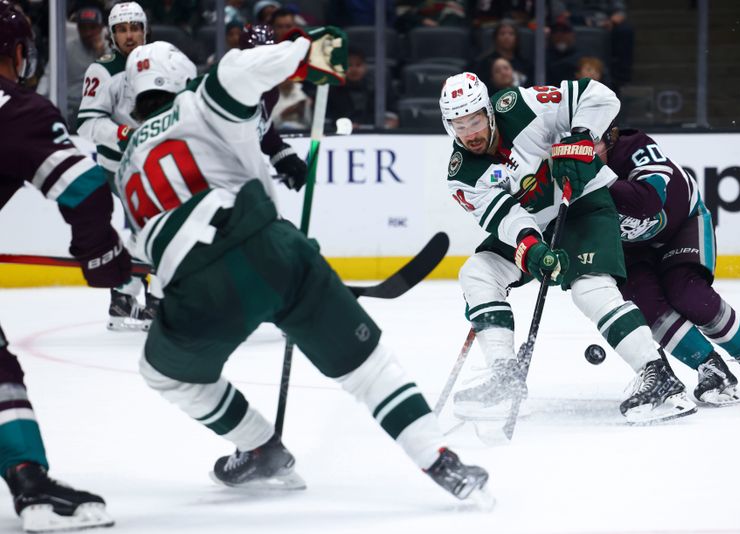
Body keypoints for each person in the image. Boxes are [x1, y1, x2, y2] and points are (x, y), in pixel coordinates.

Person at [113, 37, 490, 501]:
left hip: (198, 287)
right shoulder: (197, 102)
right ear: (181, 78)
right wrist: (304, 52)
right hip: (274, 247)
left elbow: (147, 248)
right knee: (369, 371)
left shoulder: (125, 164)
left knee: (163, 371)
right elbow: (236, 71)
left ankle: (260, 449)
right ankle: (442, 461)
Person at [439, 72, 697, 423]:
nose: (469, 132)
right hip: (535, 226)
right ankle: (505, 379)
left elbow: (601, 96)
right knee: (478, 272)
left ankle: (658, 374)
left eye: (474, 119)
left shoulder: (521, 106)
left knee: (589, 289)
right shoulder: (461, 174)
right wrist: (531, 247)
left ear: (488, 111)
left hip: (584, 203)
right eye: (458, 124)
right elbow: (505, 217)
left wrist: (581, 137)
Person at [0, 1, 129, 530]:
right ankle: (29, 483)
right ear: (18, 52)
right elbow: (84, 186)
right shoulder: (18, 110)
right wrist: (101, 256)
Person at [596, 126, 740, 404]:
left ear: (609, 138)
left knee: (685, 292)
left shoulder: (635, 147)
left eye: (592, 144)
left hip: (683, 222)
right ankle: (710, 368)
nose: (586, 154)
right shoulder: (569, 174)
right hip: (631, 246)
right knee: (645, 305)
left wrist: (596, 179)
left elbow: (646, 201)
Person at [75, 1, 157, 331]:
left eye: (135, 27)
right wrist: (124, 134)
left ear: (144, 30)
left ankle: (124, 298)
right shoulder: (103, 70)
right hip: (121, 166)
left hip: (156, 162)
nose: (129, 35)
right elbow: (86, 123)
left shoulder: (160, 62)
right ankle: (141, 299)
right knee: (151, 227)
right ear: (112, 34)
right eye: (122, 30)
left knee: (153, 228)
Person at [239, 24, 308, 191]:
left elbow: (262, 127)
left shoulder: (269, 91)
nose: (263, 60)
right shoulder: (228, 88)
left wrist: (282, 154)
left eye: (267, 54)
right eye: (255, 54)